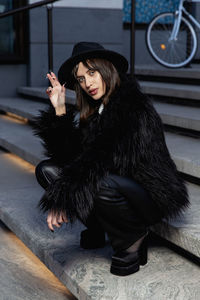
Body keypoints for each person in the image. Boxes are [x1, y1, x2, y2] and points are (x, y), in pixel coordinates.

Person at [32, 42, 189, 276]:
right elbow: (72, 157)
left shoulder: (132, 107)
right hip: (117, 185)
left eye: (92, 73)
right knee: (48, 170)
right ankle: (99, 227)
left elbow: (100, 161)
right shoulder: (97, 111)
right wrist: (59, 110)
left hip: (149, 196)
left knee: (97, 180)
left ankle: (133, 236)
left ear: (107, 69)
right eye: (81, 79)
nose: (87, 84)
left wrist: (62, 198)